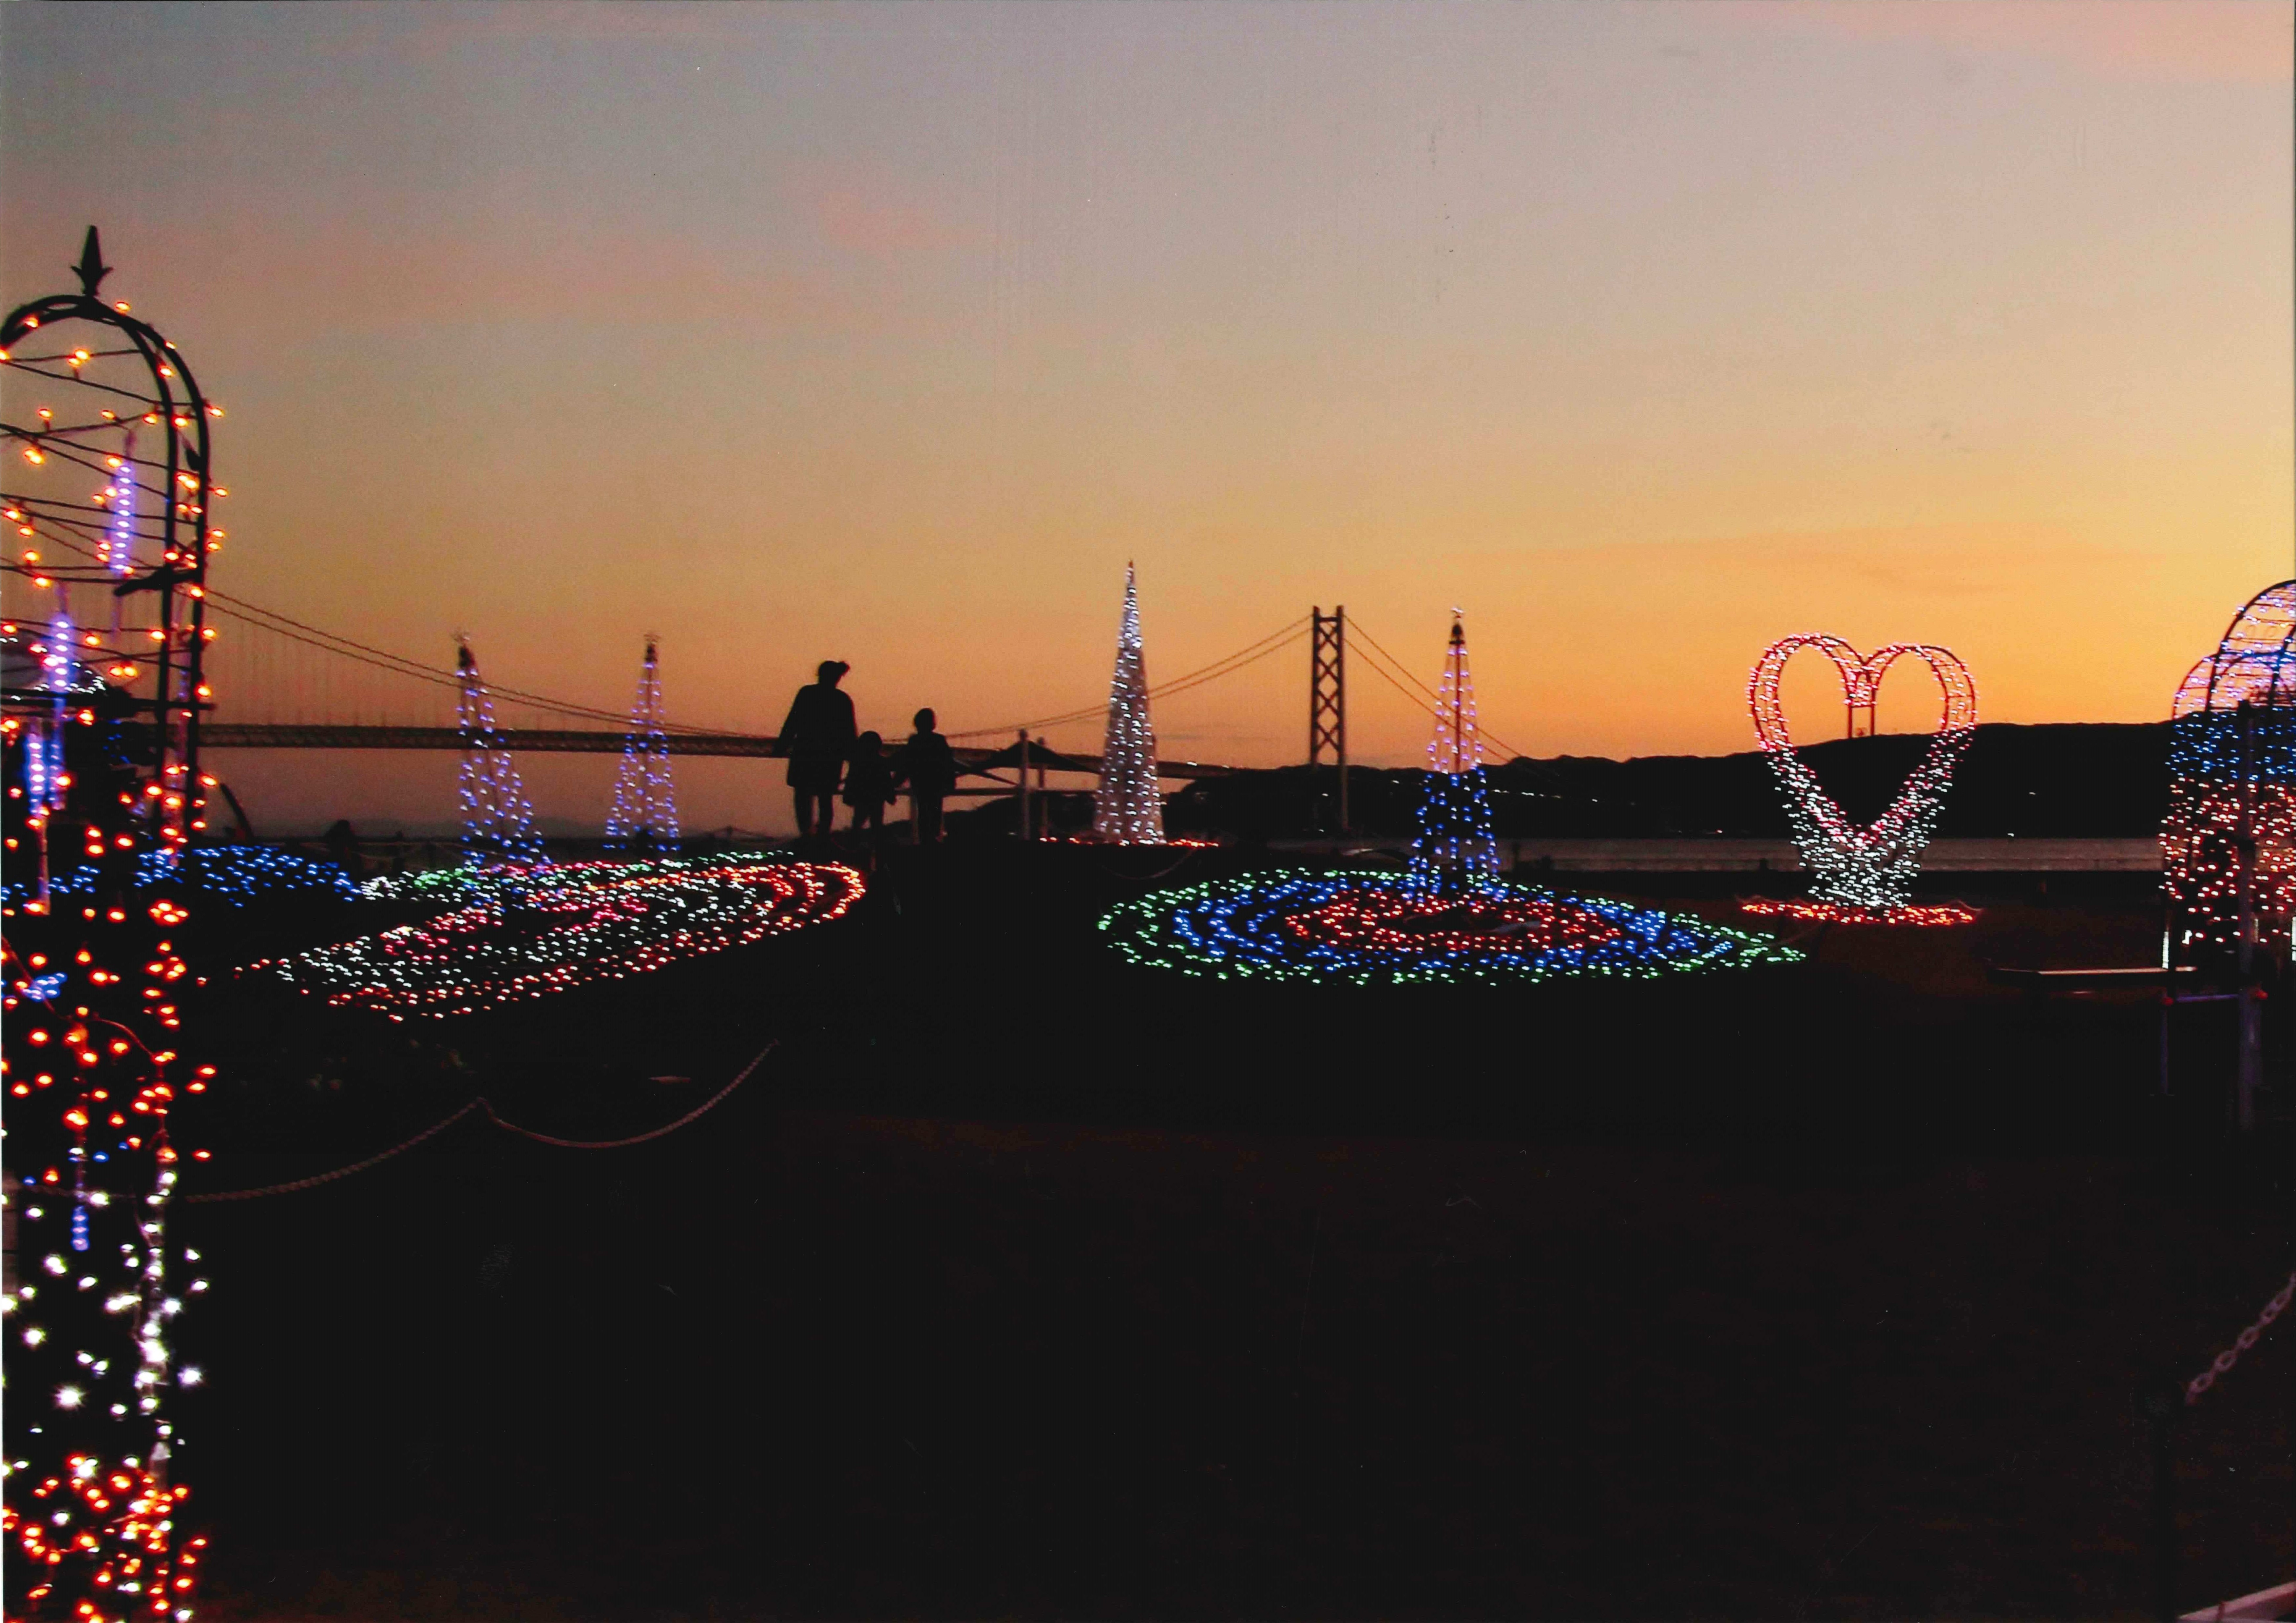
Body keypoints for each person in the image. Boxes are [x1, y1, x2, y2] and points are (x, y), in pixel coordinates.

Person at [777, 660, 856, 838]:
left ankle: (806, 833)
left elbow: (793, 722)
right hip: (830, 758)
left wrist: (782, 746)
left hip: (805, 753)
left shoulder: (807, 694)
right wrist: (853, 759)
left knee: (802, 796)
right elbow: (850, 734)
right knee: (825, 797)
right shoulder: (842, 700)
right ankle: (823, 835)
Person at [896, 708, 958, 845]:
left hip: (921, 785)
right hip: (936, 786)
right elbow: (948, 763)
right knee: (935, 813)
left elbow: (906, 764)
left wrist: (896, 783)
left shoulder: (914, 742)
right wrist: (951, 783)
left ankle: (926, 843)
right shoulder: (939, 741)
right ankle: (934, 841)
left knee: (923, 814)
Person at [841, 731, 898, 841]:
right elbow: (887, 781)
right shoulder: (881, 762)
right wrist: (891, 797)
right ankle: (874, 848)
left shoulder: (857, 763)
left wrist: (848, 797)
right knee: (876, 823)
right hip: (877, 799)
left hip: (861, 798)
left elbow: (851, 780)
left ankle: (854, 844)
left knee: (858, 821)